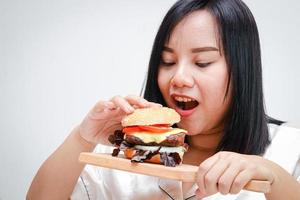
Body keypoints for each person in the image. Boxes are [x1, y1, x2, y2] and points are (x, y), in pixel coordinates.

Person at [27, 0, 300, 199]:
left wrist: (273, 176)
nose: (178, 78)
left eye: (202, 62)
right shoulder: (122, 153)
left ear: (243, 69)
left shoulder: (289, 150)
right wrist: (82, 138)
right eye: (167, 61)